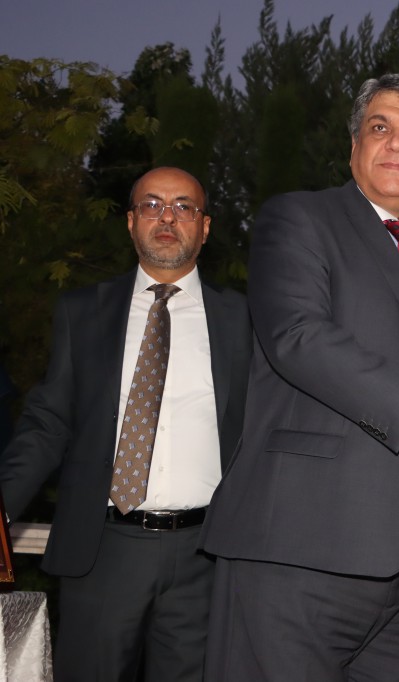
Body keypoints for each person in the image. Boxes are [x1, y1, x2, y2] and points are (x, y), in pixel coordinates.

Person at [200, 73, 399, 681]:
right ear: (354, 147)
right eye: (380, 127)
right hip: (303, 546)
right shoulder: (299, 218)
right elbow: (298, 337)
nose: (398, 143)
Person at [0, 166, 252, 681]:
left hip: (208, 556)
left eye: (184, 206)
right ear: (131, 221)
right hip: (102, 550)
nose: (167, 217)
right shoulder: (82, 312)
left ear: (205, 227)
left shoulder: (246, 319)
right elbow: (47, 425)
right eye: (152, 204)